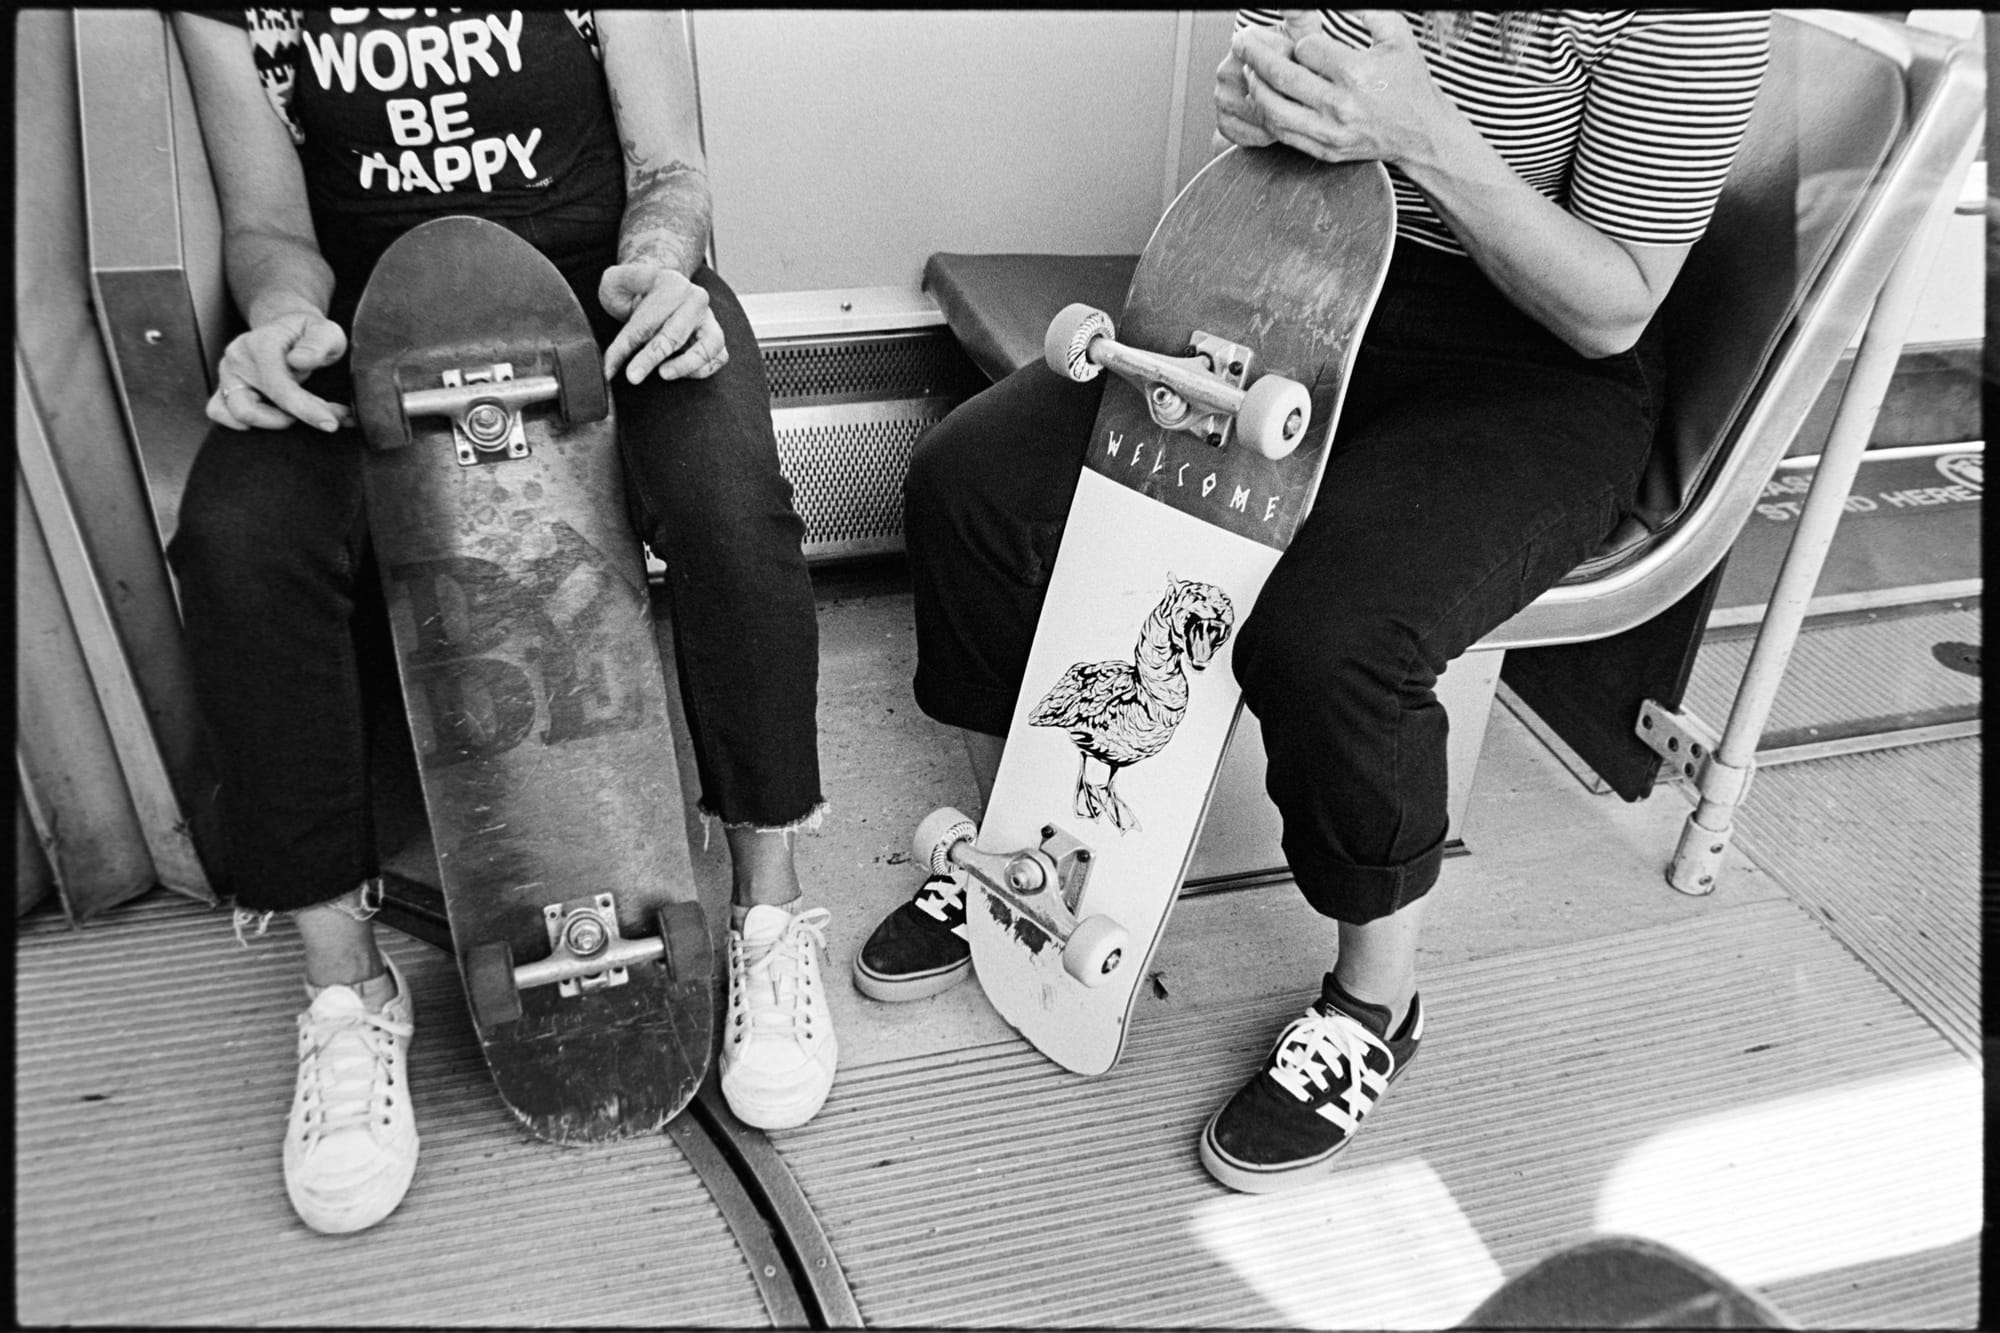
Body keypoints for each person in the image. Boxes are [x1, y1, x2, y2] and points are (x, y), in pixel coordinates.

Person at [853, 8, 1770, 1192]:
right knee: (975, 485)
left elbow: (1610, 304)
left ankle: (1373, 1004)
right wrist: (1262, 104)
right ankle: (1019, 846)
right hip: (1297, 284)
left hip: (1535, 366)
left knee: (1335, 632)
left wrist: (1419, 132)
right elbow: (1265, 117)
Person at [169, 9, 837, 1235]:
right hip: (372, 328)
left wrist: (665, 265)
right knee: (238, 539)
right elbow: (269, 227)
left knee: (727, 501)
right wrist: (275, 317)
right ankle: (342, 996)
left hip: (611, 296)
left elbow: (668, 170)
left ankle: (766, 912)